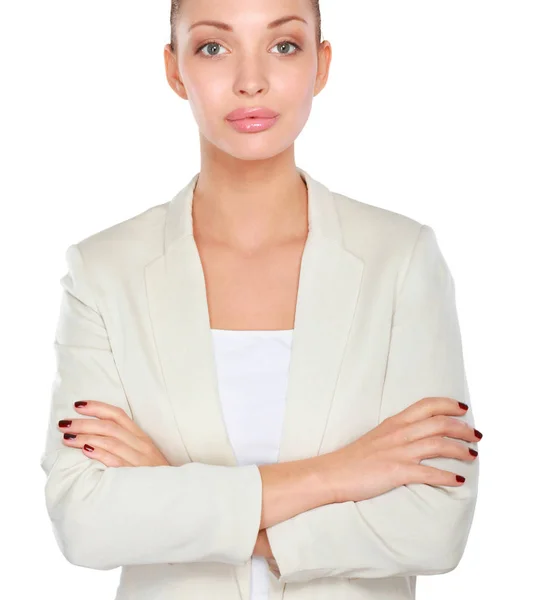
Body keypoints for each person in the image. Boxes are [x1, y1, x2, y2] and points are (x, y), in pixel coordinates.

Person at [40, 1, 482, 599]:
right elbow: (86, 521)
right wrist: (339, 474)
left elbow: (435, 527)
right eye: (214, 48)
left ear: (321, 66)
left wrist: (172, 490)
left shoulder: (400, 260)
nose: (251, 79)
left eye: (283, 46)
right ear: (174, 70)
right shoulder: (103, 271)